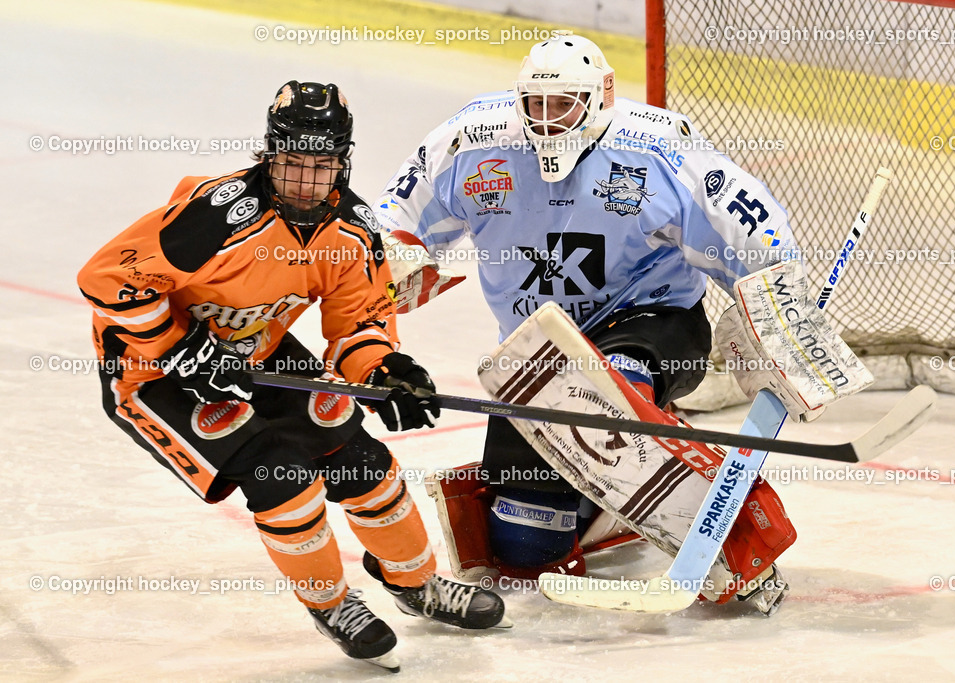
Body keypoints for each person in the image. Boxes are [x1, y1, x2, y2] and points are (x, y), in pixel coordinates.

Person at [373, 32, 868, 616]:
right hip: (539, 357)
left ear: (602, 96)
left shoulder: (657, 147)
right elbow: (394, 219)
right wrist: (396, 262)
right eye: (537, 105)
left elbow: (751, 227)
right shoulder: (473, 141)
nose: (549, 121)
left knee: (606, 391)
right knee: (526, 547)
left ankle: (731, 537)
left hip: (654, 324)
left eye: (565, 105)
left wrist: (779, 314)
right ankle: (614, 502)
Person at [78, 81, 509, 673]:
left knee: (363, 463)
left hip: (257, 350)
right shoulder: (215, 217)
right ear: (270, 154)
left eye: (322, 165)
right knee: (281, 475)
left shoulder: (352, 229)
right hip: (153, 373)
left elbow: (357, 322)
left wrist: (385, 369)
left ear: (343, 159)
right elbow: (106, 278)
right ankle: (332, 605)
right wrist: (181, 349)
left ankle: (416, 583)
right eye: (293, 163)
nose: (306, 181)